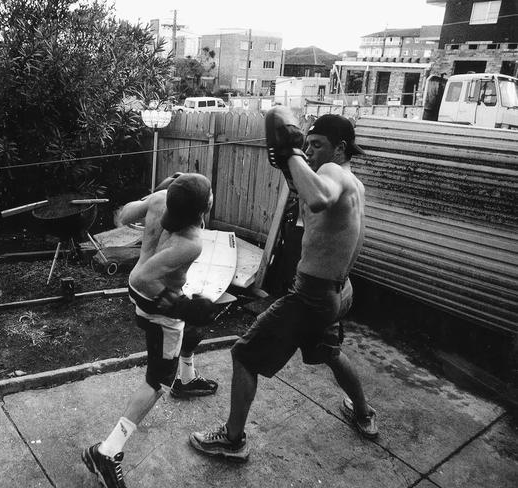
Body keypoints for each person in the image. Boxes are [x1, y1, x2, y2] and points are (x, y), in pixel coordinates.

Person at [189, 109, 378, 463]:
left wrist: (291, 153)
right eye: (307, 144)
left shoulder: (332, 171)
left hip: (311, 296)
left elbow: (319, 197)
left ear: (340, 148)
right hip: (340, 292)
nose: (312, 152)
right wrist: (294, 167)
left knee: (244, 354)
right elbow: (317, 206)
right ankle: (364, 413)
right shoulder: (355, 183)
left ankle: (232, 439)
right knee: (331, 352)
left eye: (318, 145)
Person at [83, 172, 219, 488]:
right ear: (206, 206)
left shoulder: (160, 200)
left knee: (194, 328)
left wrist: (156, 193)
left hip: (153, 300)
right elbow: (140, 279)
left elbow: (123, 216)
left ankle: (186, 380)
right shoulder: (190, 243)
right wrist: (182, 307)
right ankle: (106, 451)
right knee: (157, 381)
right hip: (158, 311)